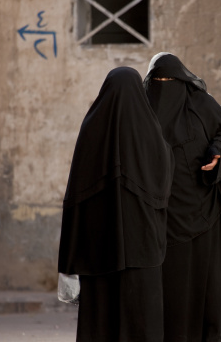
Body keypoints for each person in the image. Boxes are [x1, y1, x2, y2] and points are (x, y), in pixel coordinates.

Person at [58, 67, 174, 342]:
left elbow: (75, 197)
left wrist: (69, 260)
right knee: (141, 323)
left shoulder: (91, 128)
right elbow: (164, 181)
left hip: (97, 251)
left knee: (101, 322)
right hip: (142, 249)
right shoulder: (150, 133)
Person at [144, 52, 221, 342]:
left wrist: (217, 155)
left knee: (206, 287)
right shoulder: (140, 109)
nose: (164, 86)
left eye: (170, 80)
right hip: (158, 216)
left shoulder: (201, 104)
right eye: (158, 81)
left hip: (203, 213)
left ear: (182, 80)